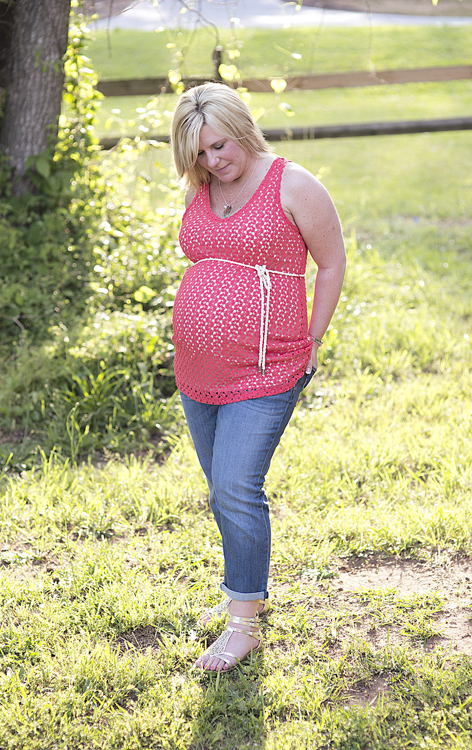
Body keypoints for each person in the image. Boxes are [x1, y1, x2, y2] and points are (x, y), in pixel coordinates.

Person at [170, 82, 346, 672]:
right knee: (224, 493)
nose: (212, 161)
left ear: (242, 129)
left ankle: (242, 626)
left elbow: (331, 262)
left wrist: (312, 338)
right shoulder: (203, 186)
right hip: (198, 371)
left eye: (219, 146)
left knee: (235, 490)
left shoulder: (292, 184)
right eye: (198, 153)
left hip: (270, 366)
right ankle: (242, 597)